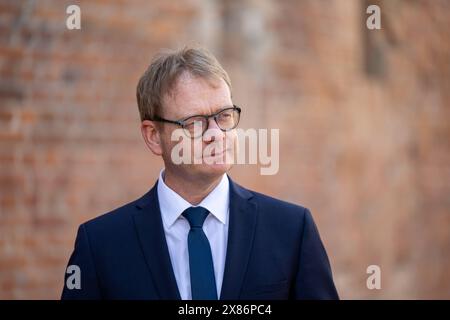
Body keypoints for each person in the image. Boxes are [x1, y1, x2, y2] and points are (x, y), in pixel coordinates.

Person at [61, 46, 339, 300]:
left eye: (224, 116)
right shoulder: (100, 245)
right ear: (154, 136)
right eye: (194, 123)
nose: (216, 134)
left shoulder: (291, 229)